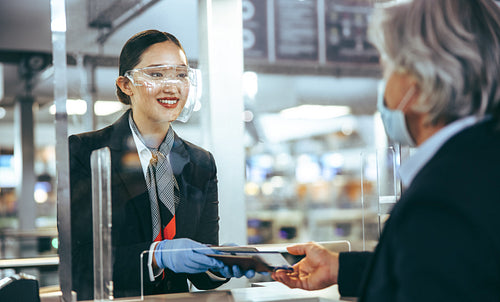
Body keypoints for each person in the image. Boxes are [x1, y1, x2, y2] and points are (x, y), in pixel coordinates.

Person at [272, 0, 500, 301]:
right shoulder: (482, 163)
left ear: (421, 84)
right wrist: (341, 268)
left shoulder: (442, 199)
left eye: (388, 67)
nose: (384, 86)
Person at [68, 30, 253, 301]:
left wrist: (218, 263)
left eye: (180, 75)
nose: (172, 86)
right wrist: (156, 256)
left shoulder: (200, 163)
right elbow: (79, 260)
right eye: (156, 75)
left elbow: (199, 277)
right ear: (125, 84)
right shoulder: (86, 152)